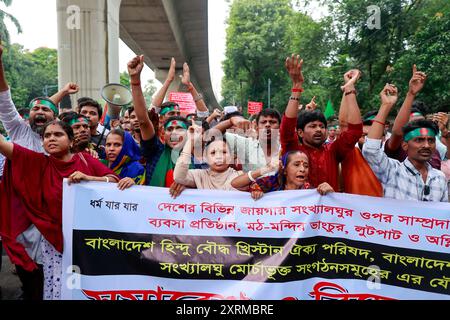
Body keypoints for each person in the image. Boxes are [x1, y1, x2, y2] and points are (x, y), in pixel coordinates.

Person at [0, 120, 126, 300]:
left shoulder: (85, 159)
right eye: (47, 136)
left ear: (71, 141)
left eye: (58, 135)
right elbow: (3, 144)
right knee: (59, 289)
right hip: (55, 244)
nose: (51, 139)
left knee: (87, 289)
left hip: (88, 242)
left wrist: (88, 178)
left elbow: (113, 180)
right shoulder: (39, 163)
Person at [0, 43, 79, 300]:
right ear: (27, 115)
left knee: (54, 278)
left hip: (54, 219)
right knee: (29, 277)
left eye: (46, 111)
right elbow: (4, 99)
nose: (40, 113)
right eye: (35, 109)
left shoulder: (58, 143)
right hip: (22, 217)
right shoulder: (19, 131)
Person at [280, 54, 363, 191]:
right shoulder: (294, 150)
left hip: (329, 212)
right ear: (300, 132)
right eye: (312, 126)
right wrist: (297, 87)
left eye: (322, 126)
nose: (319, 130)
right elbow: (287, 127)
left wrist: (350, 89)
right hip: (298, 211)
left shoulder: (333, 150)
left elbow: (354, 131)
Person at [362, 84, 448, 202]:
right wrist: (385, 106)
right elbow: (371, 150)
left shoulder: (440, 178)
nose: (426, 145)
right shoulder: (392, 171)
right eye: (419, 140)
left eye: (431, 140)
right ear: (405, 145)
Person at [231, 150, 334, 200]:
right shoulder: (270, 184)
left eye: (306, 166)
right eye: (296, 165)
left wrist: (330, 194)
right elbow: (236, 184)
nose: (302, 169)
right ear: (284, 170)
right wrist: (266, 169)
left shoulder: (310, 192)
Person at [173, 122, 243, 191]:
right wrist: (191, 140)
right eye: (213, 153)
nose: (219, 157)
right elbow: (179, 178)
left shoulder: (239, 176)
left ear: (231, 156)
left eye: (224, 152)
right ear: (205, 157)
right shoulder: (199, 176)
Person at [213, 108, 282, 173]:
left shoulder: (286, 147)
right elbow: (211, 136)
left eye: (272, 122)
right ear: (257, 128)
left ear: (280, 127)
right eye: (263, 122)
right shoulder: (246, 144)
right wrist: (230, 121)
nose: (267, 125)